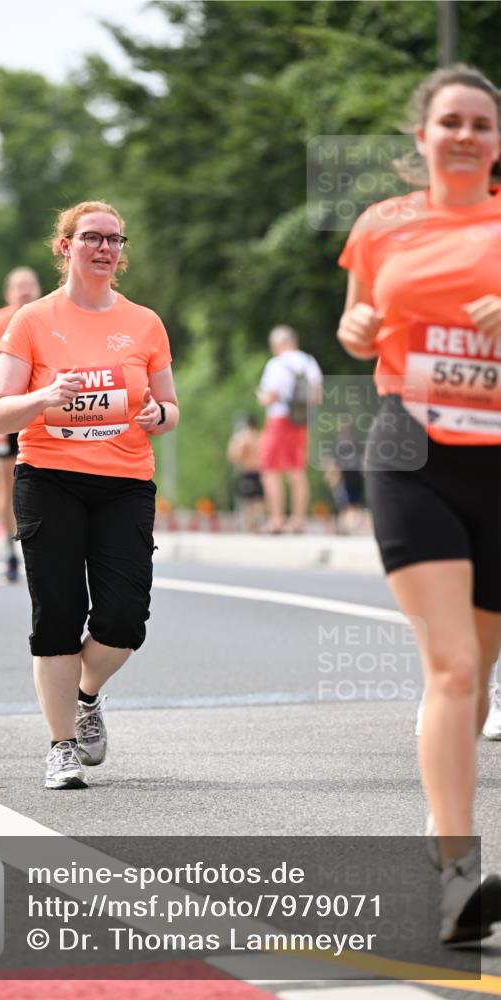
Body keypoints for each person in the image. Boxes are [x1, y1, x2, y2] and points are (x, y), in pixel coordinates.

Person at [337, 64, 501, 944]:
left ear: (496, 142)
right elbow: (357, 324)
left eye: (480, 123)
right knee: (452, 667)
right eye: (450, 121)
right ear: (422, 135)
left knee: (476, 673)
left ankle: (443, 841)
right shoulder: (381, 226)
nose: (464, 135)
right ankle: (456, 879)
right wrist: (355, 330)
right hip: (413, 451)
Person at [0, 200, 178, 790]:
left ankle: (86, 694)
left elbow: (170, 409)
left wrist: (158, 414)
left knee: (124, 619)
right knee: (58, 616)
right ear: (65, 245)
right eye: (92, 237)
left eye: (114, 239)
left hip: (124, 483)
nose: (105, 248)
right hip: (49, 479)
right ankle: (61, 745)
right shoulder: (32, 321)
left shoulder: (145, 323)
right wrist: (43, 398)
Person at [0, 267, 42, 583]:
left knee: (41, 479)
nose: (25, 291)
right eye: (18, 286)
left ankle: (38, 546)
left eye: (30, 285)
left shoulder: (47, 319)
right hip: (0, 410)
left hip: (36, 409)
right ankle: (10, 551)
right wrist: (12, 360)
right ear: (8, 292)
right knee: (7, 484)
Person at [256, 325, 322, 533]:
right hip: (301, 421)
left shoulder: (277, 364)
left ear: (278, 344)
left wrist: (261, 397)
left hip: (279, 419)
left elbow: (270, 396)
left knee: (270, 469)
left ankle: (277, 519)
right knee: (297, 470)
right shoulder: (309, 361)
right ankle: (298, 521)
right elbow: (317, 397)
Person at [226, 414, 264, 532]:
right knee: (258, 500)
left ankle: (248, 525)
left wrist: (240, 461)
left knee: (247, 501)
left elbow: (233, 455)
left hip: (247, 471)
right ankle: (252, 524)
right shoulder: (260, 436)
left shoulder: (241, 437)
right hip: (259, 471)